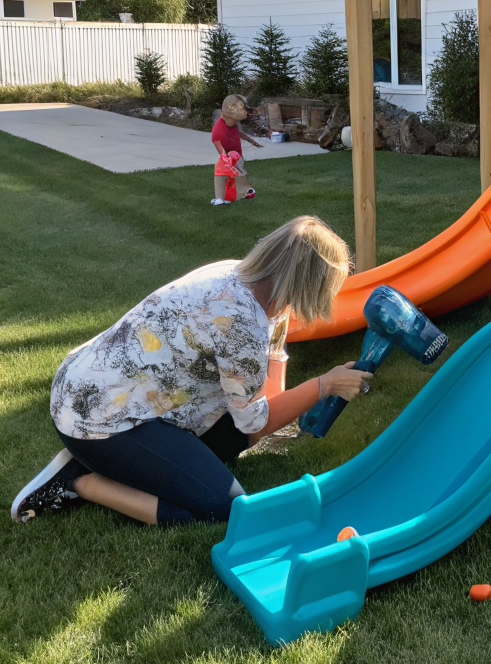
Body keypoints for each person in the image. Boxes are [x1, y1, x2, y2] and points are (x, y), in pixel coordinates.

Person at [12, 216, 372, 527]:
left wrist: (280, 345)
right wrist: (324, 385)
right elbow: (255, 422)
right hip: (98, 422)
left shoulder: (235, 273)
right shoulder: (242, 323)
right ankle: (81, 482)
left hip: (81, 391)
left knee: (230, 436)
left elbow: (257, 404)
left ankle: (105, 463)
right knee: (227, 509)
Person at [212, 94, 262, 206]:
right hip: (229, 156)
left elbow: (238, 133)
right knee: (232, 173)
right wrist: (225, 158)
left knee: (227, 174)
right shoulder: (220, 127)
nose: (246, 112)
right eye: (243, 109)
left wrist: (251, 141)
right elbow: (216, 141)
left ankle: (224, 197)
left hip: (235, 155)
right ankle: (245, 191)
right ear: (231, 109)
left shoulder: (232, 123)